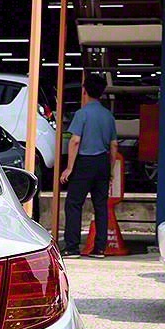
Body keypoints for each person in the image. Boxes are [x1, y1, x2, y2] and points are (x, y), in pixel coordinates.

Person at [59, 73, 118, 258]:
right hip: (103, 162)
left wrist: (69, 167)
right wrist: (110, 169)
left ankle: (72, 247)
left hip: (84, 162)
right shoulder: (108, 116)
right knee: (100, 205)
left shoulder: (81, 114)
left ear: (84, 91)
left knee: (74, 203)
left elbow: (75, 140)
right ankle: (100, 248)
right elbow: (114, 145)